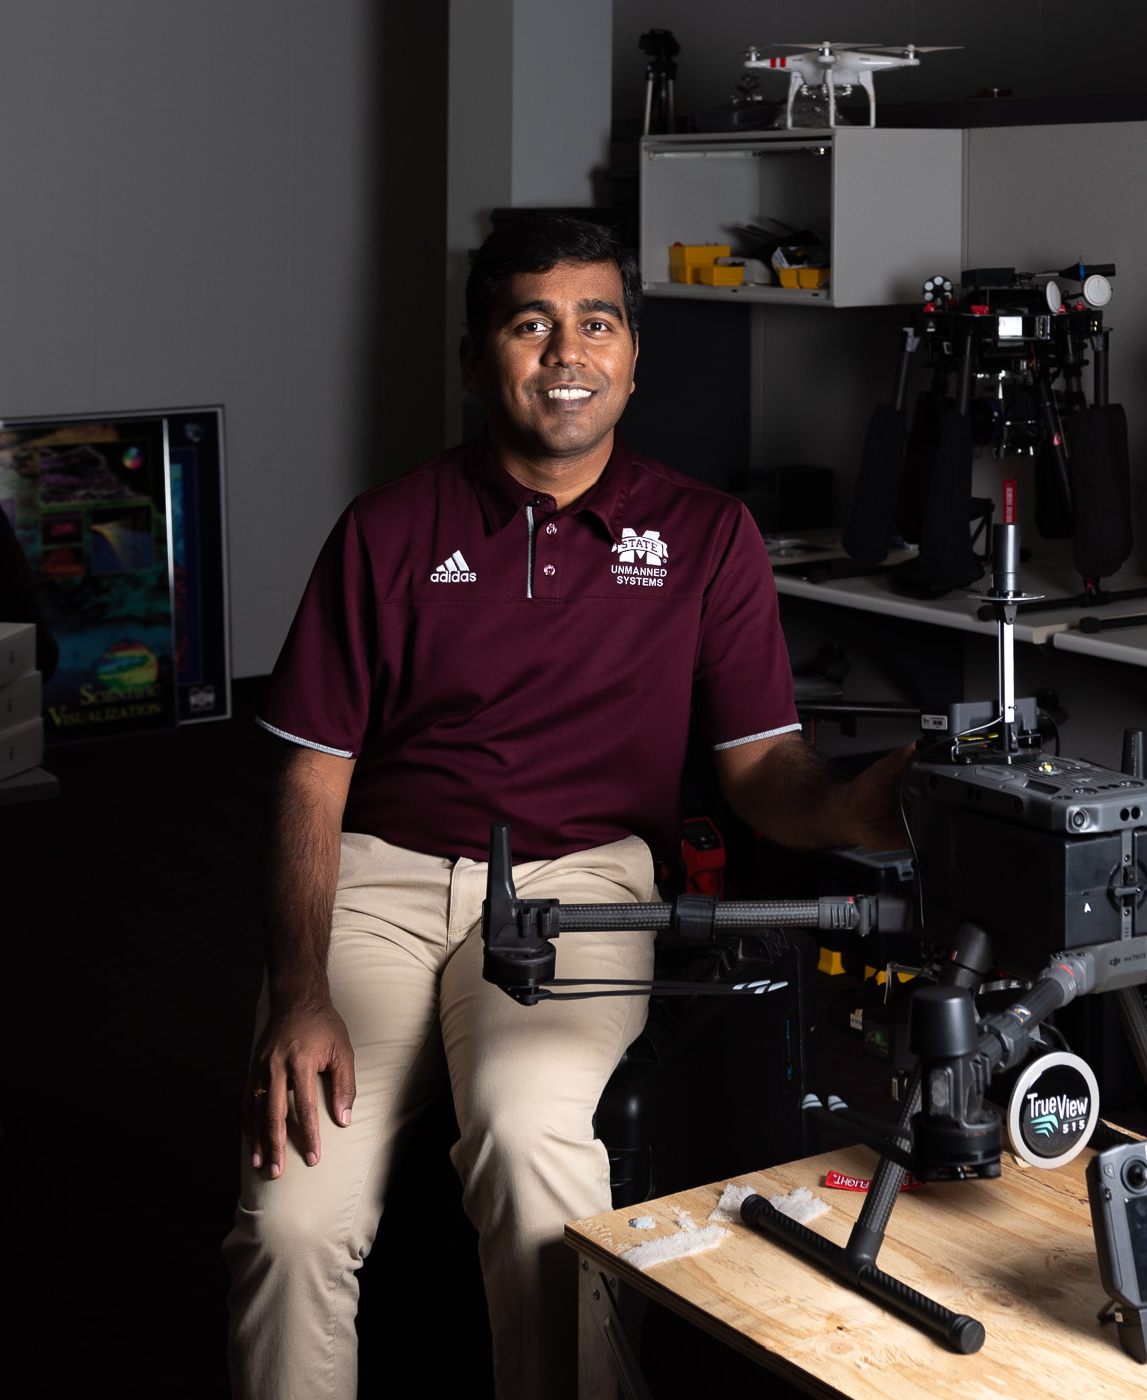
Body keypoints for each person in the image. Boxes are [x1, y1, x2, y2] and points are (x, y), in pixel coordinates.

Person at [223, 215, 907, 1399]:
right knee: (290, 1217)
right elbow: (309, 776)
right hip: (380, 881)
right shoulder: (387, 529)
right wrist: (299, 989)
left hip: (579, 887)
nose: (566, 352)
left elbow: (760, 767)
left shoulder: (705, 535)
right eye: (531, 324)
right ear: (478, 355)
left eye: (597, 323)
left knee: (529, 1136)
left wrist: (856, 807)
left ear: (635, 356)